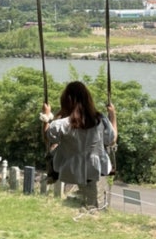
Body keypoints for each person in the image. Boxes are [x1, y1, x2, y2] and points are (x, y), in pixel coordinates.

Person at [41, 81, 117, 209]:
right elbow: (112, 139)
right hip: (95, 168)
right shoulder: (101, 120)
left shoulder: (62, 124)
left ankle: (52, 175)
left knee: (54, 147)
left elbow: (48, 137)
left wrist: (46, 117)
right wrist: (112, 115)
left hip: (68, 169)